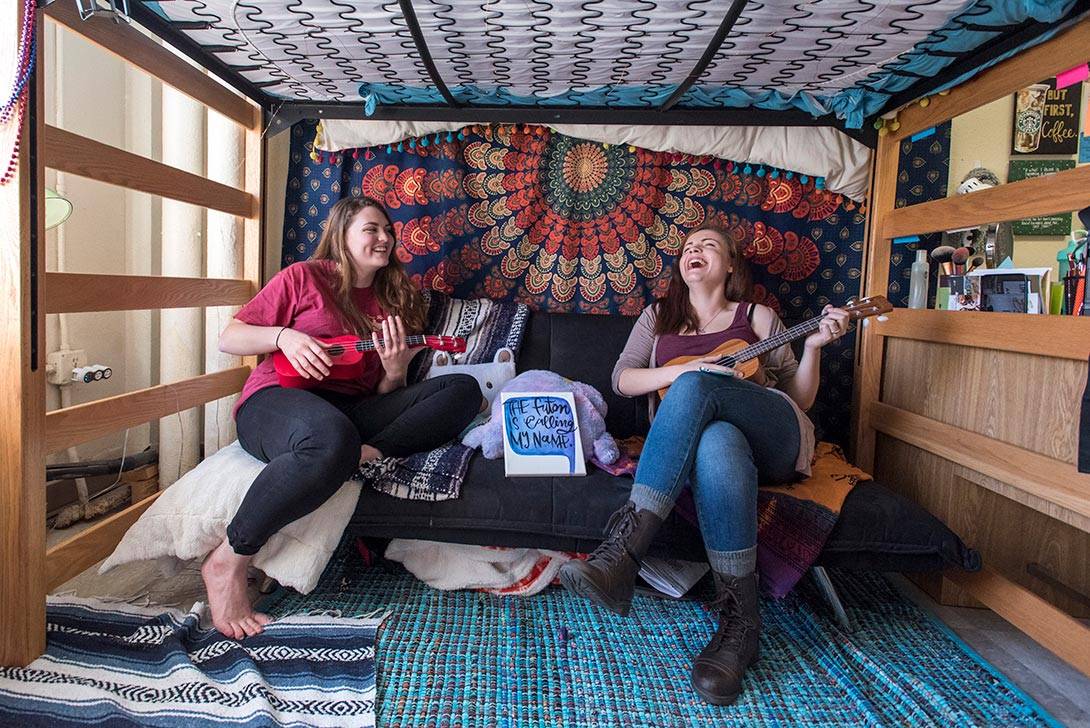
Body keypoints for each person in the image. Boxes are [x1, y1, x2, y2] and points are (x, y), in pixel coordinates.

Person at [559, 224, 849, 705]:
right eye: (688, 247)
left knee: (699, 391)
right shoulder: (658, 317)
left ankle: (623, 553)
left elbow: (798, 399)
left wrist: (814, 348)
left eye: (708, 245)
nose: (695, 250)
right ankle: (741, 624)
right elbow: (623, 379)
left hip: (775, 435)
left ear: (731, 264)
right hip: (709, 446)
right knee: (716, 439)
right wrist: (686, 369)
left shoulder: (757, 317)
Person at [205, 196, 482, 639]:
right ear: (342, 235)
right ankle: (228, 560)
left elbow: (378, 394)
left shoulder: (395, 300)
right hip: (277, 401)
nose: (385, 237)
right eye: (372, 228)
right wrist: (284, 337)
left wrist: (394, 372)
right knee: (329, 436)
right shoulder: (304, 278)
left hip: (348, 414)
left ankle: (364, 454)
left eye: (388, 230)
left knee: (463, 390)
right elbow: (229, 336)